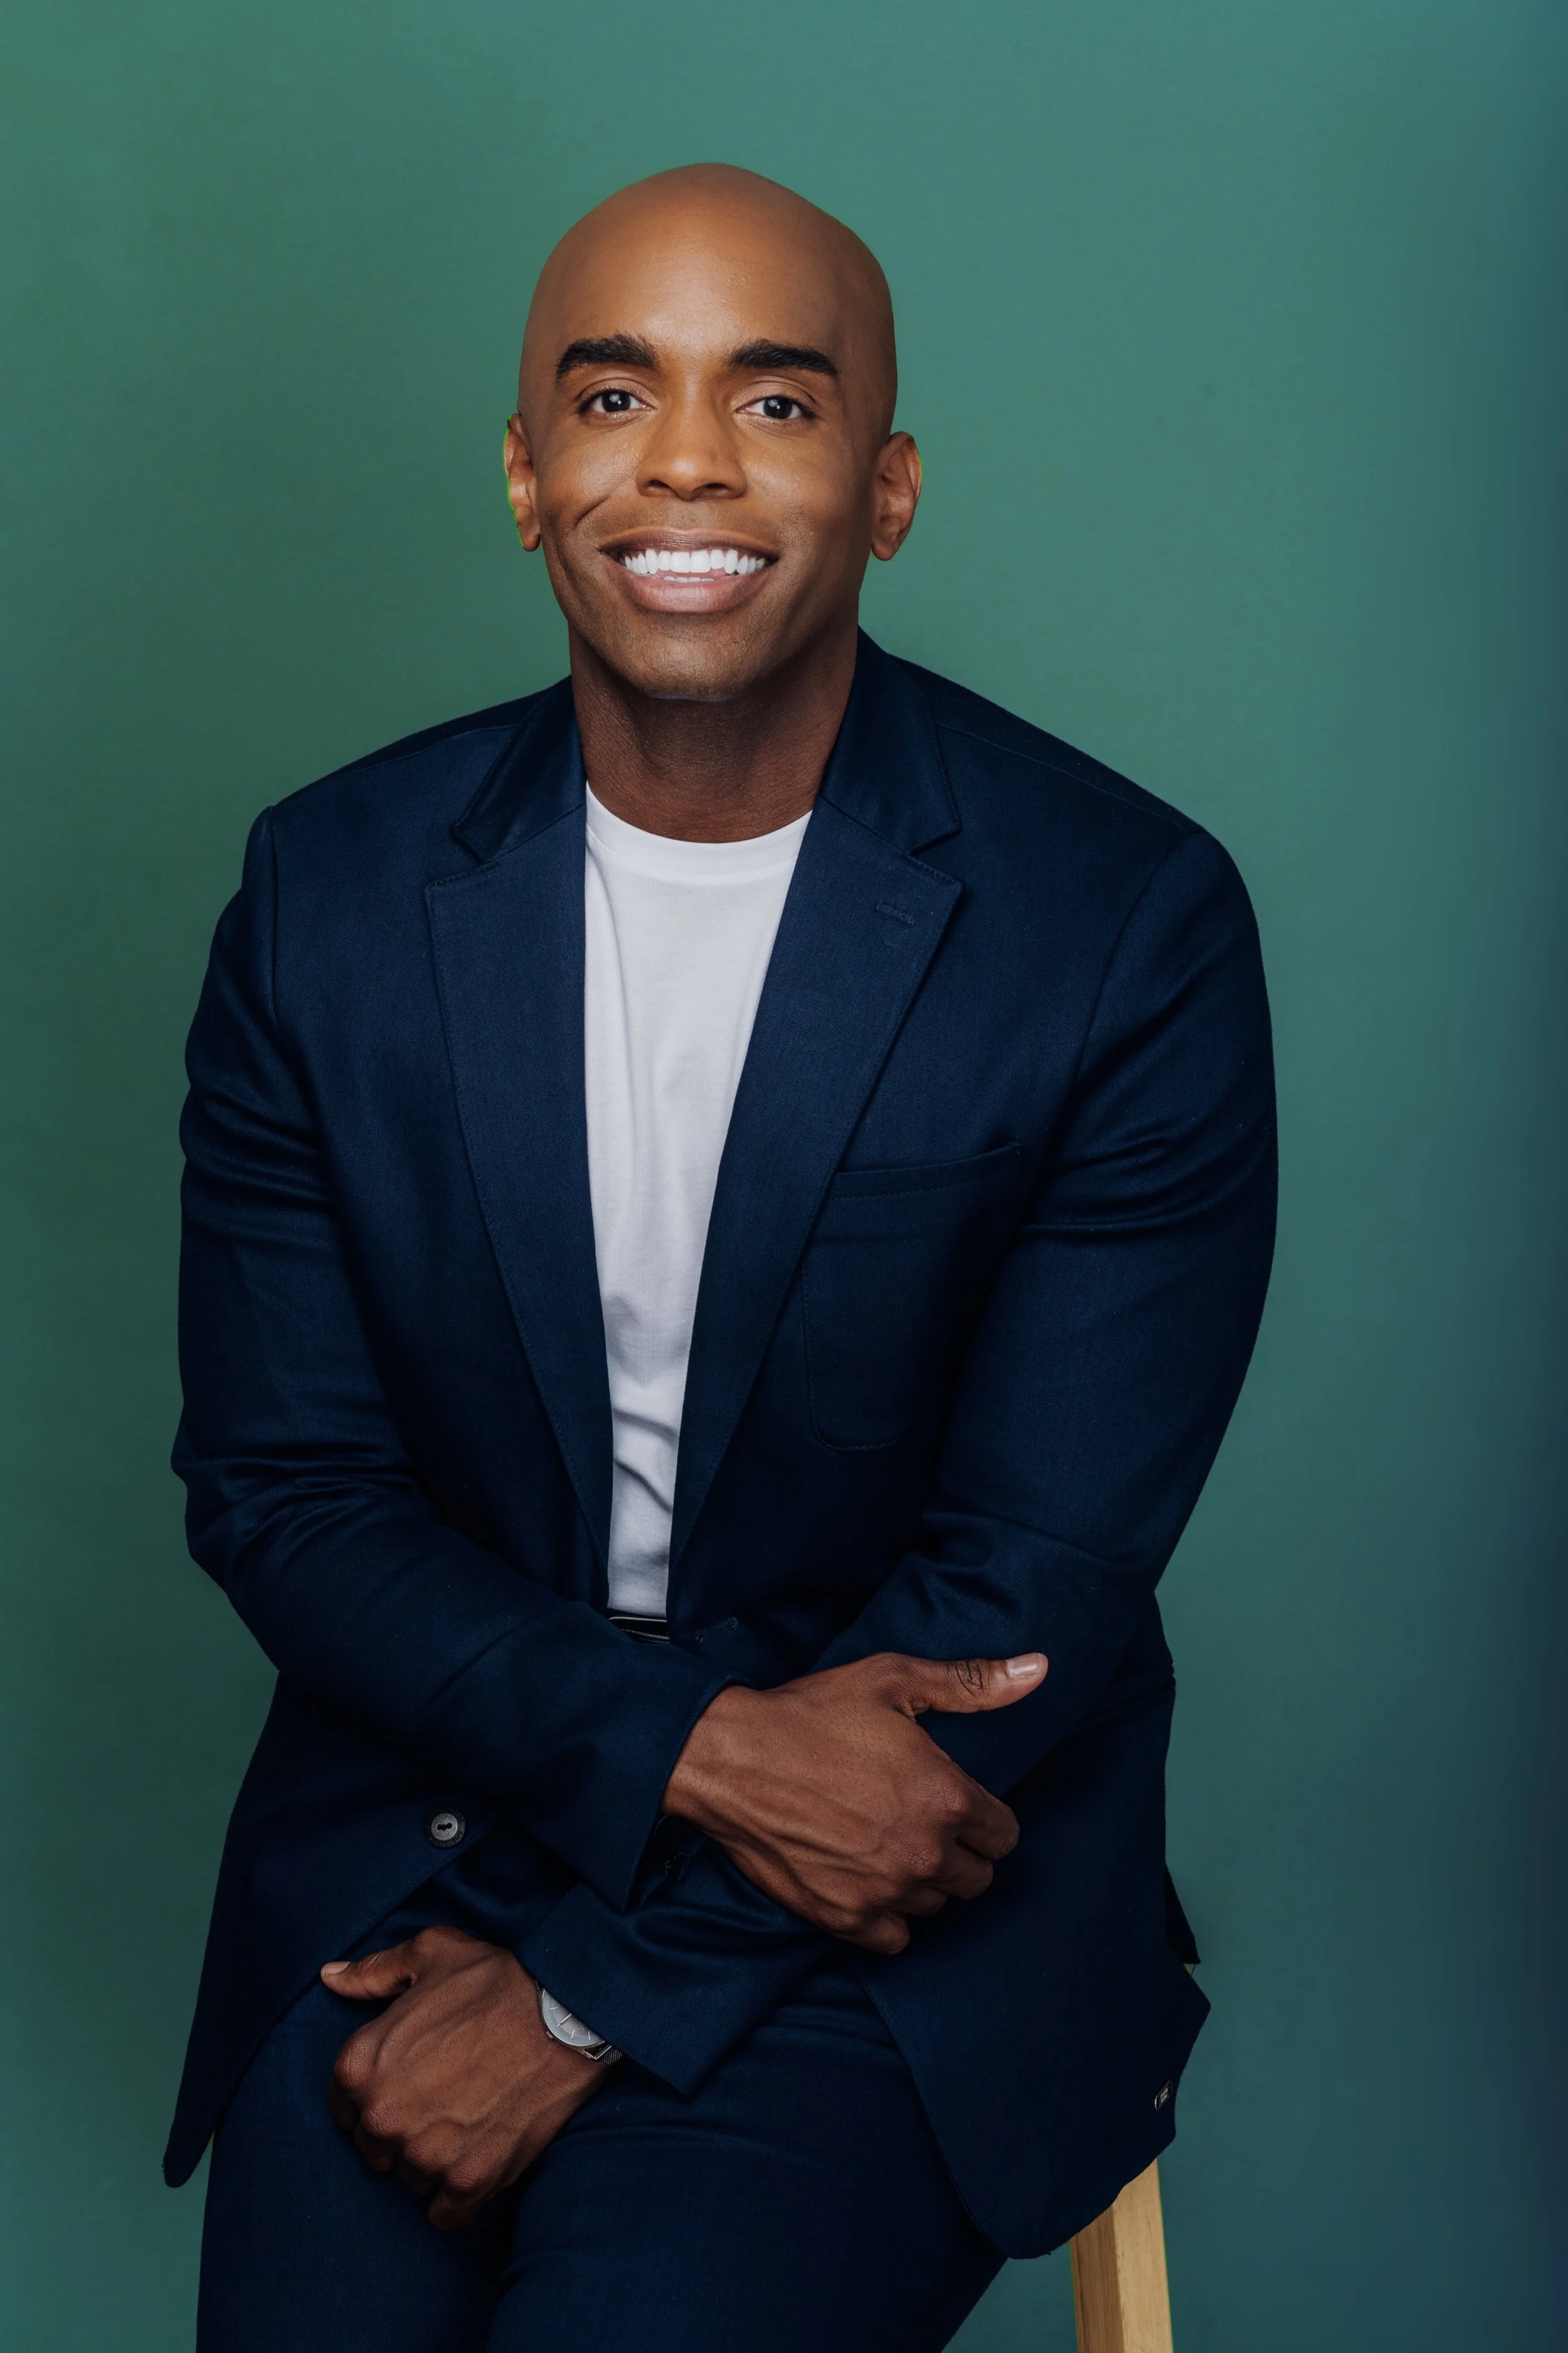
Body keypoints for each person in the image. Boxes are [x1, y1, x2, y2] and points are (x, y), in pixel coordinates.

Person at [171, 162, 1275, 2352]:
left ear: (886, 485)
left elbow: (1022, 1600)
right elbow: (288, 1495)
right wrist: (682, 1758)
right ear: (523, 472)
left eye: (772, 404)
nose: (681, 460)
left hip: (906, 1908)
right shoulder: (325, 897)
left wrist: (588, 1990)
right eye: (610, 392)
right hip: (435, 1834)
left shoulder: (1120, 923)